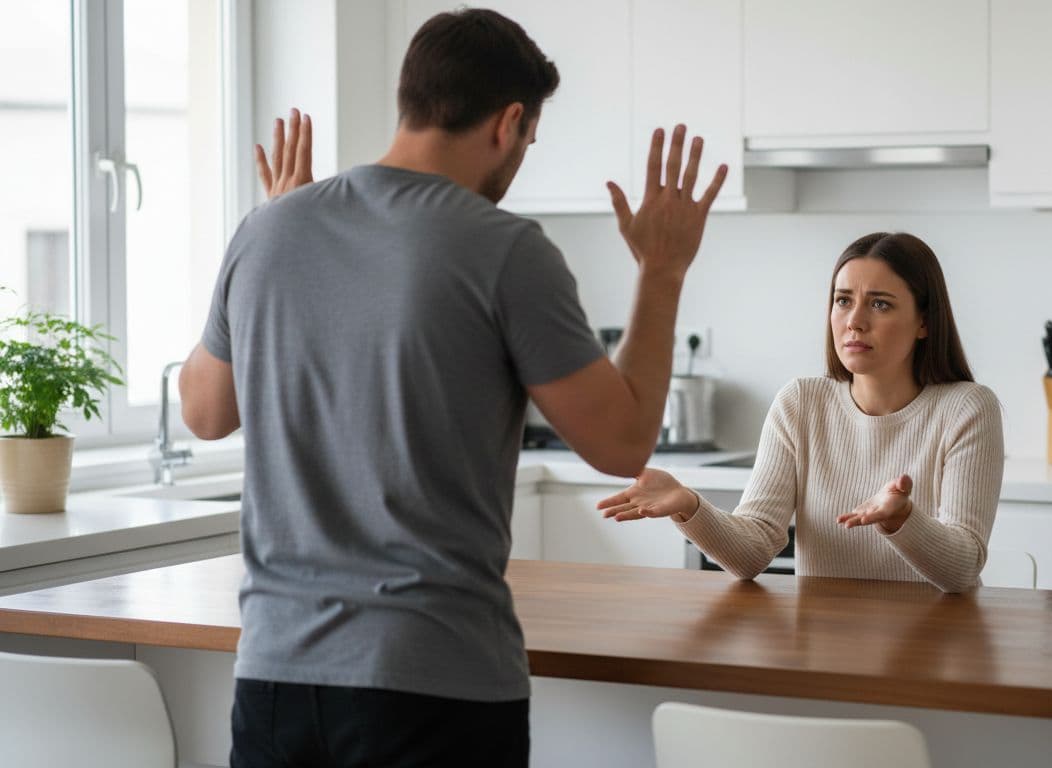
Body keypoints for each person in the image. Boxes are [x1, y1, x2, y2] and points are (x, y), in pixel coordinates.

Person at [177, 9, 727, 767]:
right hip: (433, 688)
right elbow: (622, 444)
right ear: (507, 123)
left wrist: (273, 244)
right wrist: (662, 273)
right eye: (530, 141)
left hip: (272, 680)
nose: (521, 159)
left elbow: (203, 412)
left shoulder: (268, 229)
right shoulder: (504, 250)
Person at [597, 232, 1004, 592]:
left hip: (937, 647)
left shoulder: (967, 408)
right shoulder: (801, 403)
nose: (854, 322)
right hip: (824, 644)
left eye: (880, 304)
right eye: (843, 301)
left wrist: (903, 520)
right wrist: (688, 504)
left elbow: (963, 569)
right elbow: (751, 552)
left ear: (924, 323)